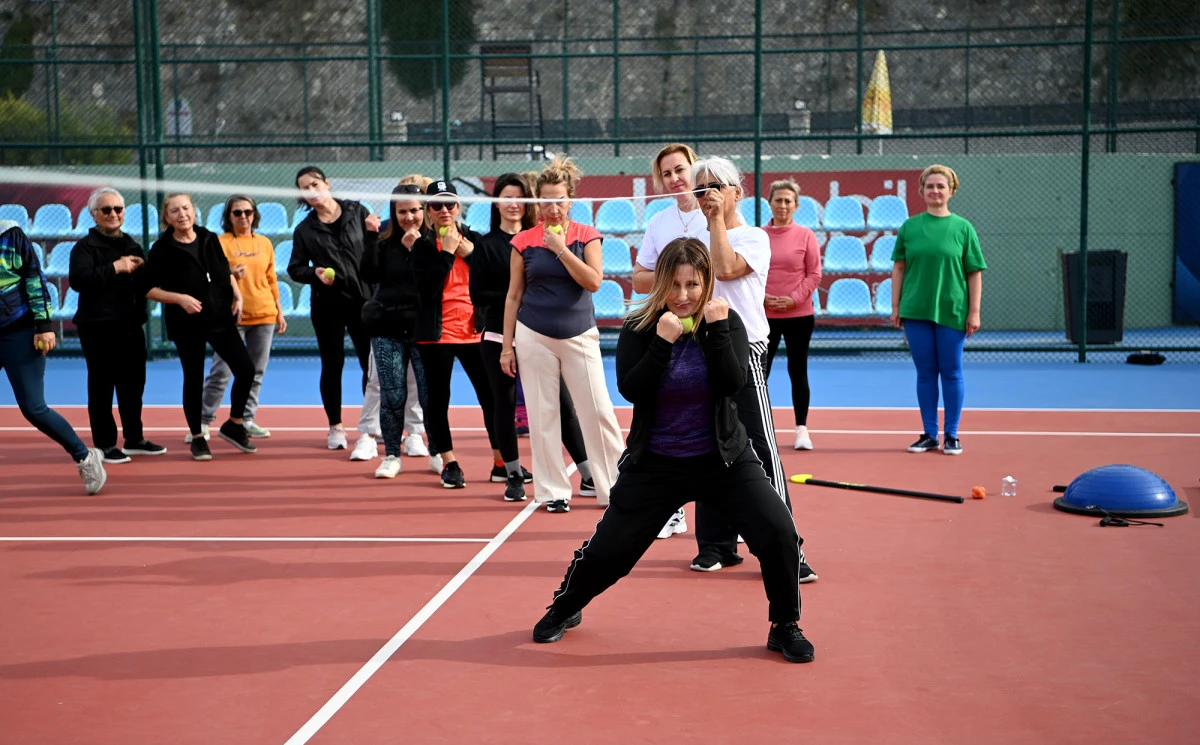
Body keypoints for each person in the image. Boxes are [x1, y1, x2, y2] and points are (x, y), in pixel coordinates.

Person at [530, 238, 814, 664]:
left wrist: (716, 330)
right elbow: (633, 389)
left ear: (708, 284)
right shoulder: (640, 328)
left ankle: (785, 625)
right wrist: (662, 342)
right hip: (657, 462)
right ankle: (566, 606)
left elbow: (731, 384)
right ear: (661, 284)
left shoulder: (727, 322)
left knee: (779, 534)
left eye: (694, 285)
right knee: (612, 552)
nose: (683, 296)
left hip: (723, 459)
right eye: (675, 285)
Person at [685, 157, 816, 581]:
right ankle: (717, 545)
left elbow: (726, 268)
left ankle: (786, 549)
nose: (706, 195)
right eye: (699, 187)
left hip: (745, 352)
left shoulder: (754, 237)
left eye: (715, 187)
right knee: (707, 448)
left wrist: (716, 220)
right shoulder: (693, 238)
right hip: (700, 351)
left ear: (736, 193)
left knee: (760, 448)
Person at [501, 157, 624, 513]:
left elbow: (594, 281)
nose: (552, 208)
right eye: (545, 201)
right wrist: (506, 346)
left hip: (579, 335)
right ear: (536, 203)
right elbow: (513, 295)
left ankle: (614, 487)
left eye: (559, 200)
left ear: (570, 200)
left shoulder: (587, 235)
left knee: (598, 412)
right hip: (532, 335)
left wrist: (559, 249)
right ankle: (553, 491)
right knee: (542, 414)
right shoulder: (522, 241)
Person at [471, 172, 592, 502]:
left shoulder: (538, 238)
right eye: (506, 197)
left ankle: (587, 472)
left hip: (540, 334)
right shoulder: (487, 244)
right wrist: (520, 298)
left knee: (563, 403)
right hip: (500, 334)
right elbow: (480, 294)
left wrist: (532, 298)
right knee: (504, 404)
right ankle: (511, 472)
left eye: (519, 198)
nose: (513, 204)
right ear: (498, 203)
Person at [145, 193, 258, 460]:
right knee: (193, 378)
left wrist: (238, 295)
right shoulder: (161, 249)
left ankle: (234, 424)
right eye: (175, 210)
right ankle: (198, 437)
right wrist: (180, 299)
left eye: (186, 208)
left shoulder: (208, 238)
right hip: (186, 324)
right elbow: (148, 289)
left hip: (219, 318)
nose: (182, 214)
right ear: (167, 218)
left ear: (194, 212)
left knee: (246, 369)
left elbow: (223, 271)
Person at [0, 220, 106, 494]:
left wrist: (43, 325)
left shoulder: (9, 233)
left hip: (19, 330)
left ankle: (84, 456)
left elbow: (34, 277)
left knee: (33, 408)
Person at [630, 143, 702, 539]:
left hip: (710, 331)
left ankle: (731, 512)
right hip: (669, 331)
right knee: (666, 417)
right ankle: (671, 510)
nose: (675, 178)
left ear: (695, 169)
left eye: (680, 169)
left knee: (720, 419)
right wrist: (673, 278)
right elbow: (639, 277)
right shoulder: (659, 222)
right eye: (667, 173)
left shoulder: (716, 216)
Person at [890, 164, 986, 455]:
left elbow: (974, 272)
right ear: (921, 191)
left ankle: (952, 435)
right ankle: (930, 434)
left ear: (951, 191)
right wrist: (896, 306)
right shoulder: (909, 227)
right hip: (916, 309)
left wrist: (974, 311)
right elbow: (899, 267)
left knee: (952, 372)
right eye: (930, 186)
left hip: (952, 310)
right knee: (925, 373)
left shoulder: (963, 228)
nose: (935, 191)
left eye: (941, 186)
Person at [412, 179, 502, 488]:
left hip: (475, 331)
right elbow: (425, 291)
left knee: (491, 397)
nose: (444, 210)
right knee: (438, 399)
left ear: (458, 207)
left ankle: (502, 461)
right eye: (436, 205)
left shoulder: (475, 239)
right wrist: (448, 254)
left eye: (449, 203)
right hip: (436, 335)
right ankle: (449, 463)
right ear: (429, 210)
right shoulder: (422, 246)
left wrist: (471, 254)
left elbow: (493, 279)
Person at [68, 187, 165, 463]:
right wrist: (115, 268)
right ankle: (105, 444)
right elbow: (79, 279)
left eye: (118, 209)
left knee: (133, 386)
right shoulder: (84, 248)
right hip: (98, 328)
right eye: (106, 210)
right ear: (94, 215)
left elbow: (146, 283)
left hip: (131, 328)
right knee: (101, 388)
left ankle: (134, 438)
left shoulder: (131, 244)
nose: (113, 214)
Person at [288, 165, 380, 451]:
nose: (311, 191)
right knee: (332, 365)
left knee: (371, 366)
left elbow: (373, 249)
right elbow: (295, 268)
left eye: (315, 184)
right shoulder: (304, 230)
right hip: (327, 305)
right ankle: (335, 427)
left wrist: (375, 234)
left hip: (364, 303)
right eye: (304, 188)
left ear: (327, 184)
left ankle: (372, 426)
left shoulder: (357, 211)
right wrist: (312, 273)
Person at [191, 195, 287, 443]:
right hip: (230, 316)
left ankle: (245, 419)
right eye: (237, 213)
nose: (244, 216)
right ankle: (202, 421)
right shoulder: (219, 242)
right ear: (228, 217)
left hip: (264, 313)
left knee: (256, 371)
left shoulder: (264, 243)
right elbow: (208, 276)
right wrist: (228, 272)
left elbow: (271, 278)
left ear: (254, 214)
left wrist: (279, 310)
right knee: (220, 372)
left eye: (248, 211)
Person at [357, 183, 430, 479]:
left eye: (415, 210)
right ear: (394, 212)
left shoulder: (434, 242)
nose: (409, 217)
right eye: (402, 211)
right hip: (387, 328)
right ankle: (391, 455)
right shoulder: (383, 241)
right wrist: (371, 237)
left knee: (428, 395)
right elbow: (369, 274)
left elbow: (433, 281)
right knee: (391, 394)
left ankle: (437, 451)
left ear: (424, 211)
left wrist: (416, 251)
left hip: (425, 329)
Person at [762, 178, 822, 451]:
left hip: (799, 315)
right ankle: (760, 431)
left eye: (788, 201)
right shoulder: (759, 236)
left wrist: (792, 300)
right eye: (778, 200)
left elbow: (814, 275)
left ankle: (801, 430)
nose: (783, 205)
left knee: (798, 371)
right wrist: (764, 299)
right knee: (759, 373)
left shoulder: (806, 235)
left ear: (796, 205)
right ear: (770, 203)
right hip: (764, 316)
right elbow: (751, 273)